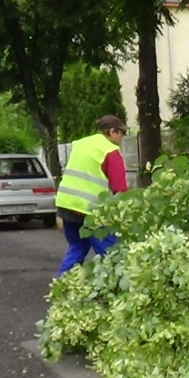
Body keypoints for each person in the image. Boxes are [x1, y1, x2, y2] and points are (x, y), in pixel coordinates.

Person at [55, 114, 129, 276]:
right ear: (112, 131)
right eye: (121, 133)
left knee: (78, 245)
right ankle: (120, 289)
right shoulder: (110, 150)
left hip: (66, 204)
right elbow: (119, 187)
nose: (122, 137)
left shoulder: (81, 144)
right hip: (90, 209)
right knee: (110, 252)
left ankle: (60, 284)